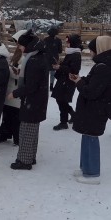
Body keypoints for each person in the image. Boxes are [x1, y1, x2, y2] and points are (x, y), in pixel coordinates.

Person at [69, 36, 111, 185]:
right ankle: (85, 168)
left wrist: (79, 83)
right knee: (87, 136)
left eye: (92, 50)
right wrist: (80, 79)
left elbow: (92, 92)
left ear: (99, 50)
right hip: (92, 109)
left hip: (96, 109)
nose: (90, 53)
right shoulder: (101, 64)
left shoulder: (104, 67)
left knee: (91, 138)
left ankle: (92, 172)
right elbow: (92, 82)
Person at [7, 29, 49, 170]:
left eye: (20, 45)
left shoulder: (34, 60)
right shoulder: (38, 56)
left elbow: (31, 85)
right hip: (37, 100)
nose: (19, 48)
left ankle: (24, 161)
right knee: (32, 129)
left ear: (28, 45)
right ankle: (30, 156)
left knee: (26, 130)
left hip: (33, 100)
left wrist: (16, 93)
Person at [0, 30, 27, 146]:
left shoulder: (25, 56)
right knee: (8, 114)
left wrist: (9, 69)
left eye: (18, 43)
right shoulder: (17, 53)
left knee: (15, 116)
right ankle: (4, 134)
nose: (17, 45)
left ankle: (17, 137)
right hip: (9, 88)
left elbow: (20, 74)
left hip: (16, 89)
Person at [51, 34, 82, 130]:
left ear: (72, 43)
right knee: (60, 100)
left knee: (61, 100)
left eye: (67, 42)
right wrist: (60, 64)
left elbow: (74, 70)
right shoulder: (71, 53)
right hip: (63, 80)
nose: (66, 43)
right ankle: (73, 114)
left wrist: (60, 67)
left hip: (68, 81)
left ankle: (63, 122)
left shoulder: (76, 54)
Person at [43, 26, 63, 91]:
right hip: (54, 58)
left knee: (46, 72)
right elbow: (60, 51)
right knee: (52, 73)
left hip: (46, 57)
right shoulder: (58, 40)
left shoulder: (45, 40)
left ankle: (45, 85)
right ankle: (51, 85)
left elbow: (43, 49)